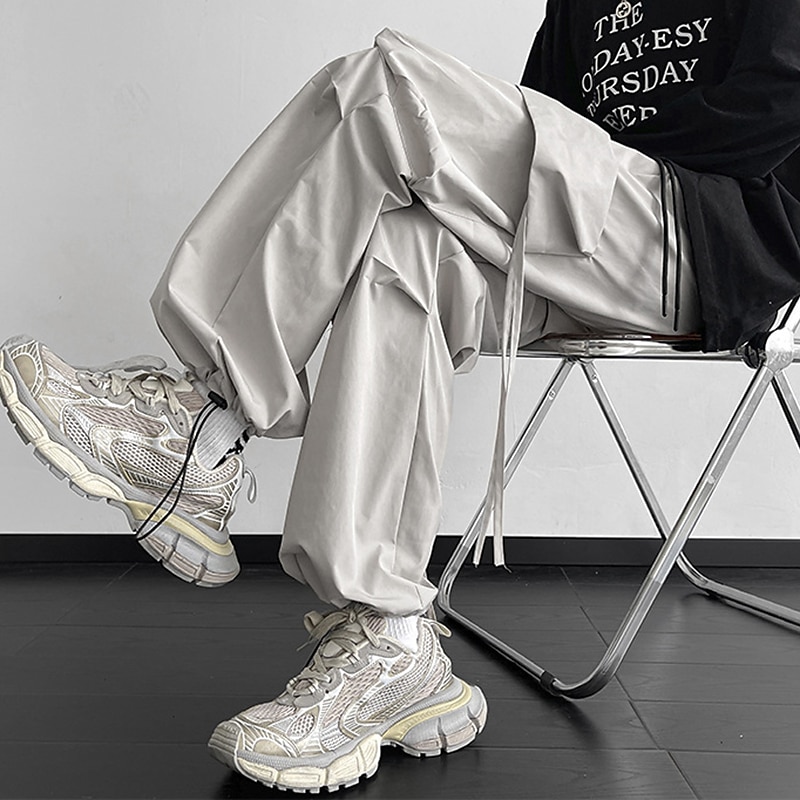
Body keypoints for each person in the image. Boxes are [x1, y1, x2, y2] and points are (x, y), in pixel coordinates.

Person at [1, 1, 798, 793]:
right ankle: (390, 638)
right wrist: (541, 163)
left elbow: (766, 121)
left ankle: (204, 423)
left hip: (709, 242)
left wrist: (592, 160)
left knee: (386, 85)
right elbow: (538, 115)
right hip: (582, 242)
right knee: (403, 242)